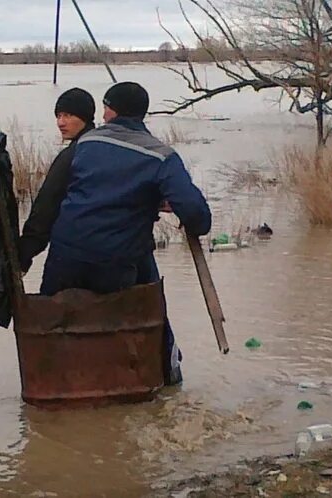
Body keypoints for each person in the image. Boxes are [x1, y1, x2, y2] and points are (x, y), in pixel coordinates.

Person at [37, 82, 212, 384]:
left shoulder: (84, 145)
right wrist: (181, 215)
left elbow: (50, 201)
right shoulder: (161, 155)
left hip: (64, 256)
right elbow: (196, 212)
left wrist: (26, 251)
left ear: (110, 111)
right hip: (116, 261)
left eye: (105, 108)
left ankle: (55, 386)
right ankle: (159, 378)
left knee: (56, 325)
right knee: (134, 322)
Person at [18, 87, 96, 274]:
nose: (61, 123)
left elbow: (47, 204)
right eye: (58, 116)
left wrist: (25, 252)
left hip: (72, 253)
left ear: (85, 117)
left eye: (68, 116)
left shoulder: (72, 155)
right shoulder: (108, 148)